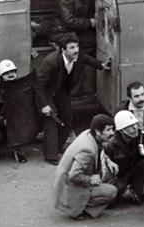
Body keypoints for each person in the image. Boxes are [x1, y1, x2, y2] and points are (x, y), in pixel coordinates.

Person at [34, 32, 110, 165]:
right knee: (51, 118)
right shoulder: (51, 61)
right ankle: (51, 155)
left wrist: (102, 65)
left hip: (61, 90)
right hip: (47, 91)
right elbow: (38, 85)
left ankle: (58, 146)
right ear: (63, 50)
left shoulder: (77, 55)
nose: (76, 50)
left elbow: (86, 59)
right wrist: (44, 105)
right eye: (72, 47)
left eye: (77, 46)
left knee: (68, 117)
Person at [51, 114, 118, 219]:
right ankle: (78, 207)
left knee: (110, 174)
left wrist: (108, 161)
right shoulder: (87, 150)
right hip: (70, 187)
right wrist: (90, 180)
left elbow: (100, 149)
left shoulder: (89, 133)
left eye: (112, 129)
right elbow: (73, 175)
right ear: (98, 132)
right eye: (108, 130)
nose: (112, 133)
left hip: (66, 182)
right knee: (112, 192)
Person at [56, 0, 96, 95]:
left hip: (76, 30)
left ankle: (86, 88)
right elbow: (69, 21)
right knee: (89, 46)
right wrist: (90, 22)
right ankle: (79, 89)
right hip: (63, 31)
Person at [104, 110, 144, 205]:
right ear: (121, 130)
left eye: (135, 124)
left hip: (132, 171)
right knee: (111, 202)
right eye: (130, 127)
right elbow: (108, 173)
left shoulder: (140, 136)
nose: (135, 128)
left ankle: (136, 193)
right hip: (118, 177)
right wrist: (122, 189)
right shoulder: (112, 145)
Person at [0, 59, 27, 162]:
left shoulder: (21, 88)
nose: (10, 74)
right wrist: (3, 121)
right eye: (7, 73)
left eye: (12, 71)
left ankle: (19, 153)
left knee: (22, 130)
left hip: (16, 122)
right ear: (1, 76)